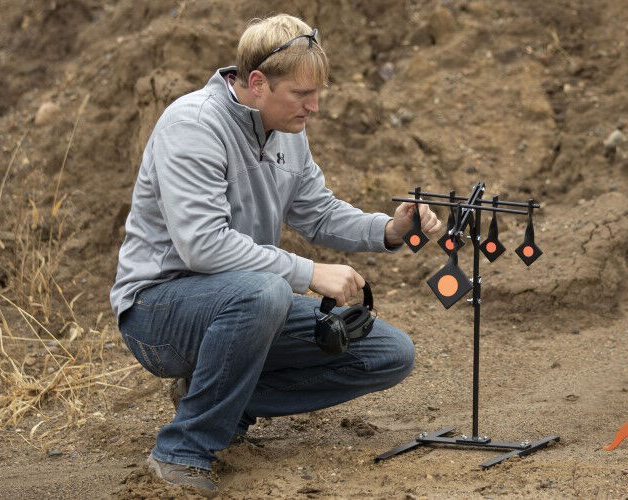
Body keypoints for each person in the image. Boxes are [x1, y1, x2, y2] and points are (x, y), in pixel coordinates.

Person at [109, 14, 442, 495]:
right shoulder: (193, 125)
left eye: (318, 93)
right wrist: (309, 273)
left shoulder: (287, 129)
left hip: (243, 305)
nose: (315, 107)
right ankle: (182, 450)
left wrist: (391, 229)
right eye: (303, 94)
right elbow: (202, 244)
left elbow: (317, 212)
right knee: (266, 291)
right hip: (157, 309)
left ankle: (216, 400)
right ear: (259, 83)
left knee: (388, 354)